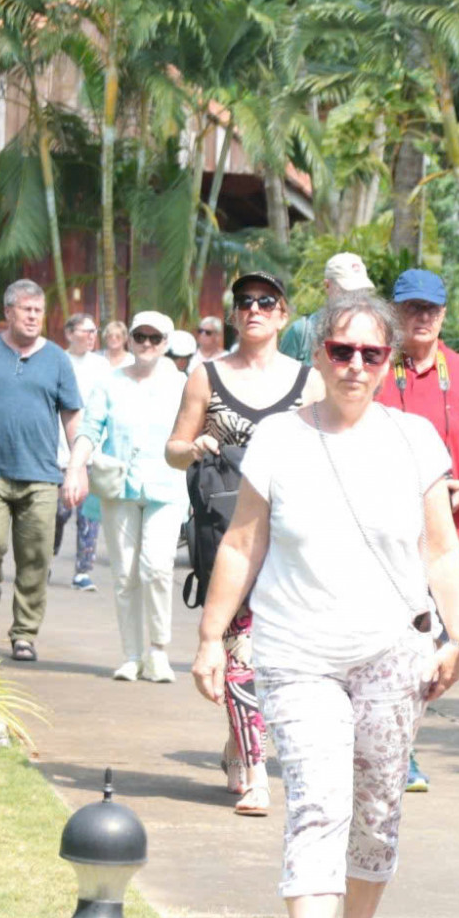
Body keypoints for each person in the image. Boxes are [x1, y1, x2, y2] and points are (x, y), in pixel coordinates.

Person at [190, 292, 459, 918]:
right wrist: (212, 636)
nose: (354, 365)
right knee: (318, 800)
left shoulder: (415, 441)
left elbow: (439, 547)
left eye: (370, 354)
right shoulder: (280, 439)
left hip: (391, 651)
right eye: (341, 351)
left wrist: (457, 633)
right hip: (298, 651)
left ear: (388, 362)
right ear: (320, 354)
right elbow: (242, 542)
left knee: (378, 803)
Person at [167, 271, 323, 817]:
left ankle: (238, 739)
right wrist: (197, 445)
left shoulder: (310, 382)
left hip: (292, 540)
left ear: (283, 315)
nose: (254, 309)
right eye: (245, 303)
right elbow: (173, 447)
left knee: (282, 659)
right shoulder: (205, 377)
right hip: (227, 534)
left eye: (267, 302)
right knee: (237, 651)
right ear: (234, 316)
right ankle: (257, 771)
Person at [380, 267, 459, 794]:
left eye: (430, 309)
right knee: (387, 643)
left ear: (444, 314)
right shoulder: (375, 367)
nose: (421, 318)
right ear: (395, 313)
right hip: (381, 533)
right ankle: (393, 747)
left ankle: (401, 745)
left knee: (432, 644)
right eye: (411, 308)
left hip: (445, 534)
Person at [0, 279, 90, 663]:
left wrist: (77, 467)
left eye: (38, 311)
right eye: (25, 309)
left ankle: (24, 632)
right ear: (8, 312)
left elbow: (72, 416)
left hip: (41, 474)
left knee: (35, 557)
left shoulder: (57, 359)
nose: (32, 317)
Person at [81, 312, 190, 682]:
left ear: (166, 342)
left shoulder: (181, 383)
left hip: (167, 485)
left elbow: (196, 426)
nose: (146, 344)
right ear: (128, 339)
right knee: (125, 574)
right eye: (139, 337)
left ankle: (159, 650)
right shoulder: (109, 383)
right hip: (120, 486)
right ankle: (131, 653)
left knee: (157, 567)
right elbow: (89, 428)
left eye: (154, 338)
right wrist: (75, 467)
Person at [60, 313, 112, 592]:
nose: (92, 336)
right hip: (58, 451)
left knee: (89, 515)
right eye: (86, 331)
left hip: (92, 451)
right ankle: (47, 555)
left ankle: (83, 570)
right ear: (70, 334)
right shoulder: (58, 361)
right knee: (58, 513)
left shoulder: (102, 366)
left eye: (95, 331)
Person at [281, 252, 374, 364]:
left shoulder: (373, 333)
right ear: (327, 286)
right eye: (346, 291)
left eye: (360, 291)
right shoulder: (302, 332)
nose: (355, 298)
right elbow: (281, 378)